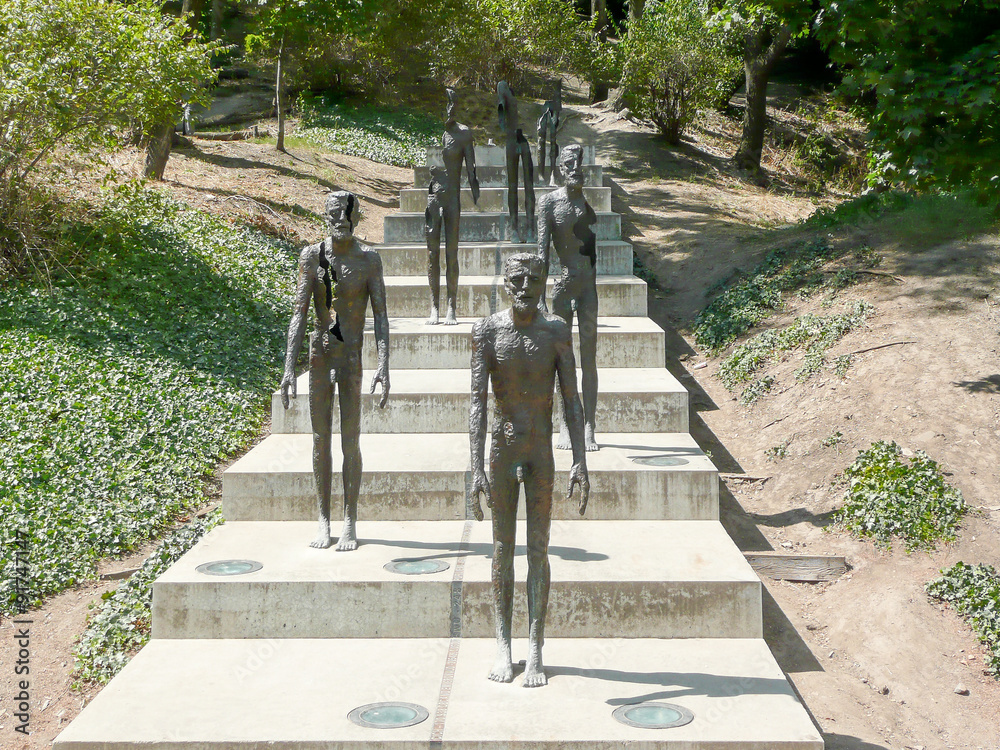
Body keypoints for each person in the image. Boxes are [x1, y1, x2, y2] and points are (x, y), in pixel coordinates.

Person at [469, 252, 590, 687]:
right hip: (502, 449)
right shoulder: (486, 330)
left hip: (540, 451)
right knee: (502, 549)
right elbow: (477, 403)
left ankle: (535, 646)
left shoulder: (556, 330)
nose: (525, 287)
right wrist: (475, 467)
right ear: (504, 283)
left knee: (538, 550)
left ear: (543, 285)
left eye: (533, 280)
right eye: (517, 279)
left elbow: (571, 400)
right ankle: (503, 642)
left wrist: (580, 458)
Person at [280, 191, 390, 551]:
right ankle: (323, 518)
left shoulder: (369, 259)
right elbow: (298, 314)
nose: (339, 220)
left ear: (356, 218)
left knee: (350, 440)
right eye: (333, 214)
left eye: (346, 214)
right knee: (319, 439)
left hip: (352, 357)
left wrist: (385, 364)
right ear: (325, 216)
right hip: (320, 356)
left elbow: (381, 315)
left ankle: (350, 519)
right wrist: (287, 369)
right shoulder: (312, 256)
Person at [537, 144, 600, 452]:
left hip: (588, 289)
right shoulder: (548, 203)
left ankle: (589, 425)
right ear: (560, 169)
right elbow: (541, 253)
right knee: (564, 359)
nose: (576, 168)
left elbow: (593, 255)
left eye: (579, 162)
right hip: (563, 288)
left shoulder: (586, 205)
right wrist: (539, 296)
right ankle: (566, 422)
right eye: (570, 164)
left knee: (589, 358)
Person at [428, 88, 480, 325]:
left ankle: (451, 307)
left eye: (451, 104)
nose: (448, 110)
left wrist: (475, 188)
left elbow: (471, 167)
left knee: (451, 254)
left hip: (452, 200)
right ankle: (434, 307)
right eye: (445, 105)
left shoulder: (463, 134)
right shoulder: (438, 133)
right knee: (432, 255)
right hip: (434, 197)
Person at [497, 80, 535, 242]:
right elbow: (501, 110)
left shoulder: (509, 93)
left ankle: (530, 230)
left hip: (521, 142)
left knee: (528, 186)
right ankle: (515, 229)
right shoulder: (503, 89)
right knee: (513, 186)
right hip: (512, 142)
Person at [536, 79, 562, 186]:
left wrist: (555, 113)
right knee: (541, 140)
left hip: (554, 108)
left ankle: (553, 174)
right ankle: (540, 174)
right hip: (545, 108)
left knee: (553, 140)